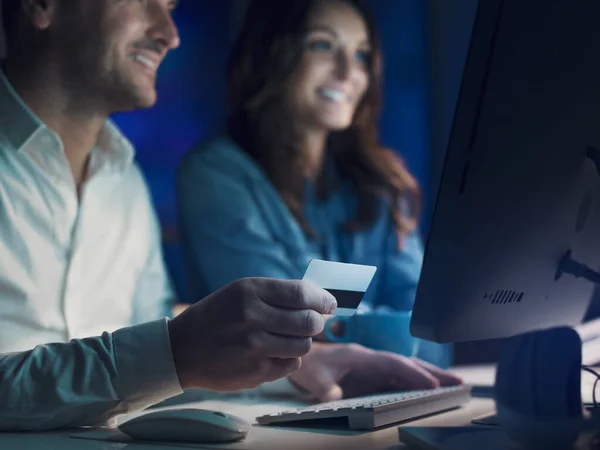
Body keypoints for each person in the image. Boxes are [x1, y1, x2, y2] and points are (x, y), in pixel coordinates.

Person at [0, 0, 460, 432]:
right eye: (144, 0)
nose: (170, 34)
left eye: (172, 7)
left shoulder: (124, 186)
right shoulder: (216, 174)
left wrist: (303, 368)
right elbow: (165, 357)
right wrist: (180, 353)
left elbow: (148, 369)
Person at [177, 0, 451, 367]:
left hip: (397, 393)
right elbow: (278, 329)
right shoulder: (215, 176)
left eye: (361, 55)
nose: (347, 71)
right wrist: (390, 328)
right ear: (273, 53)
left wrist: (335, 326)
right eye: (323, 45)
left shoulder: (382, 184)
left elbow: (435, 337)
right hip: (266, 406)